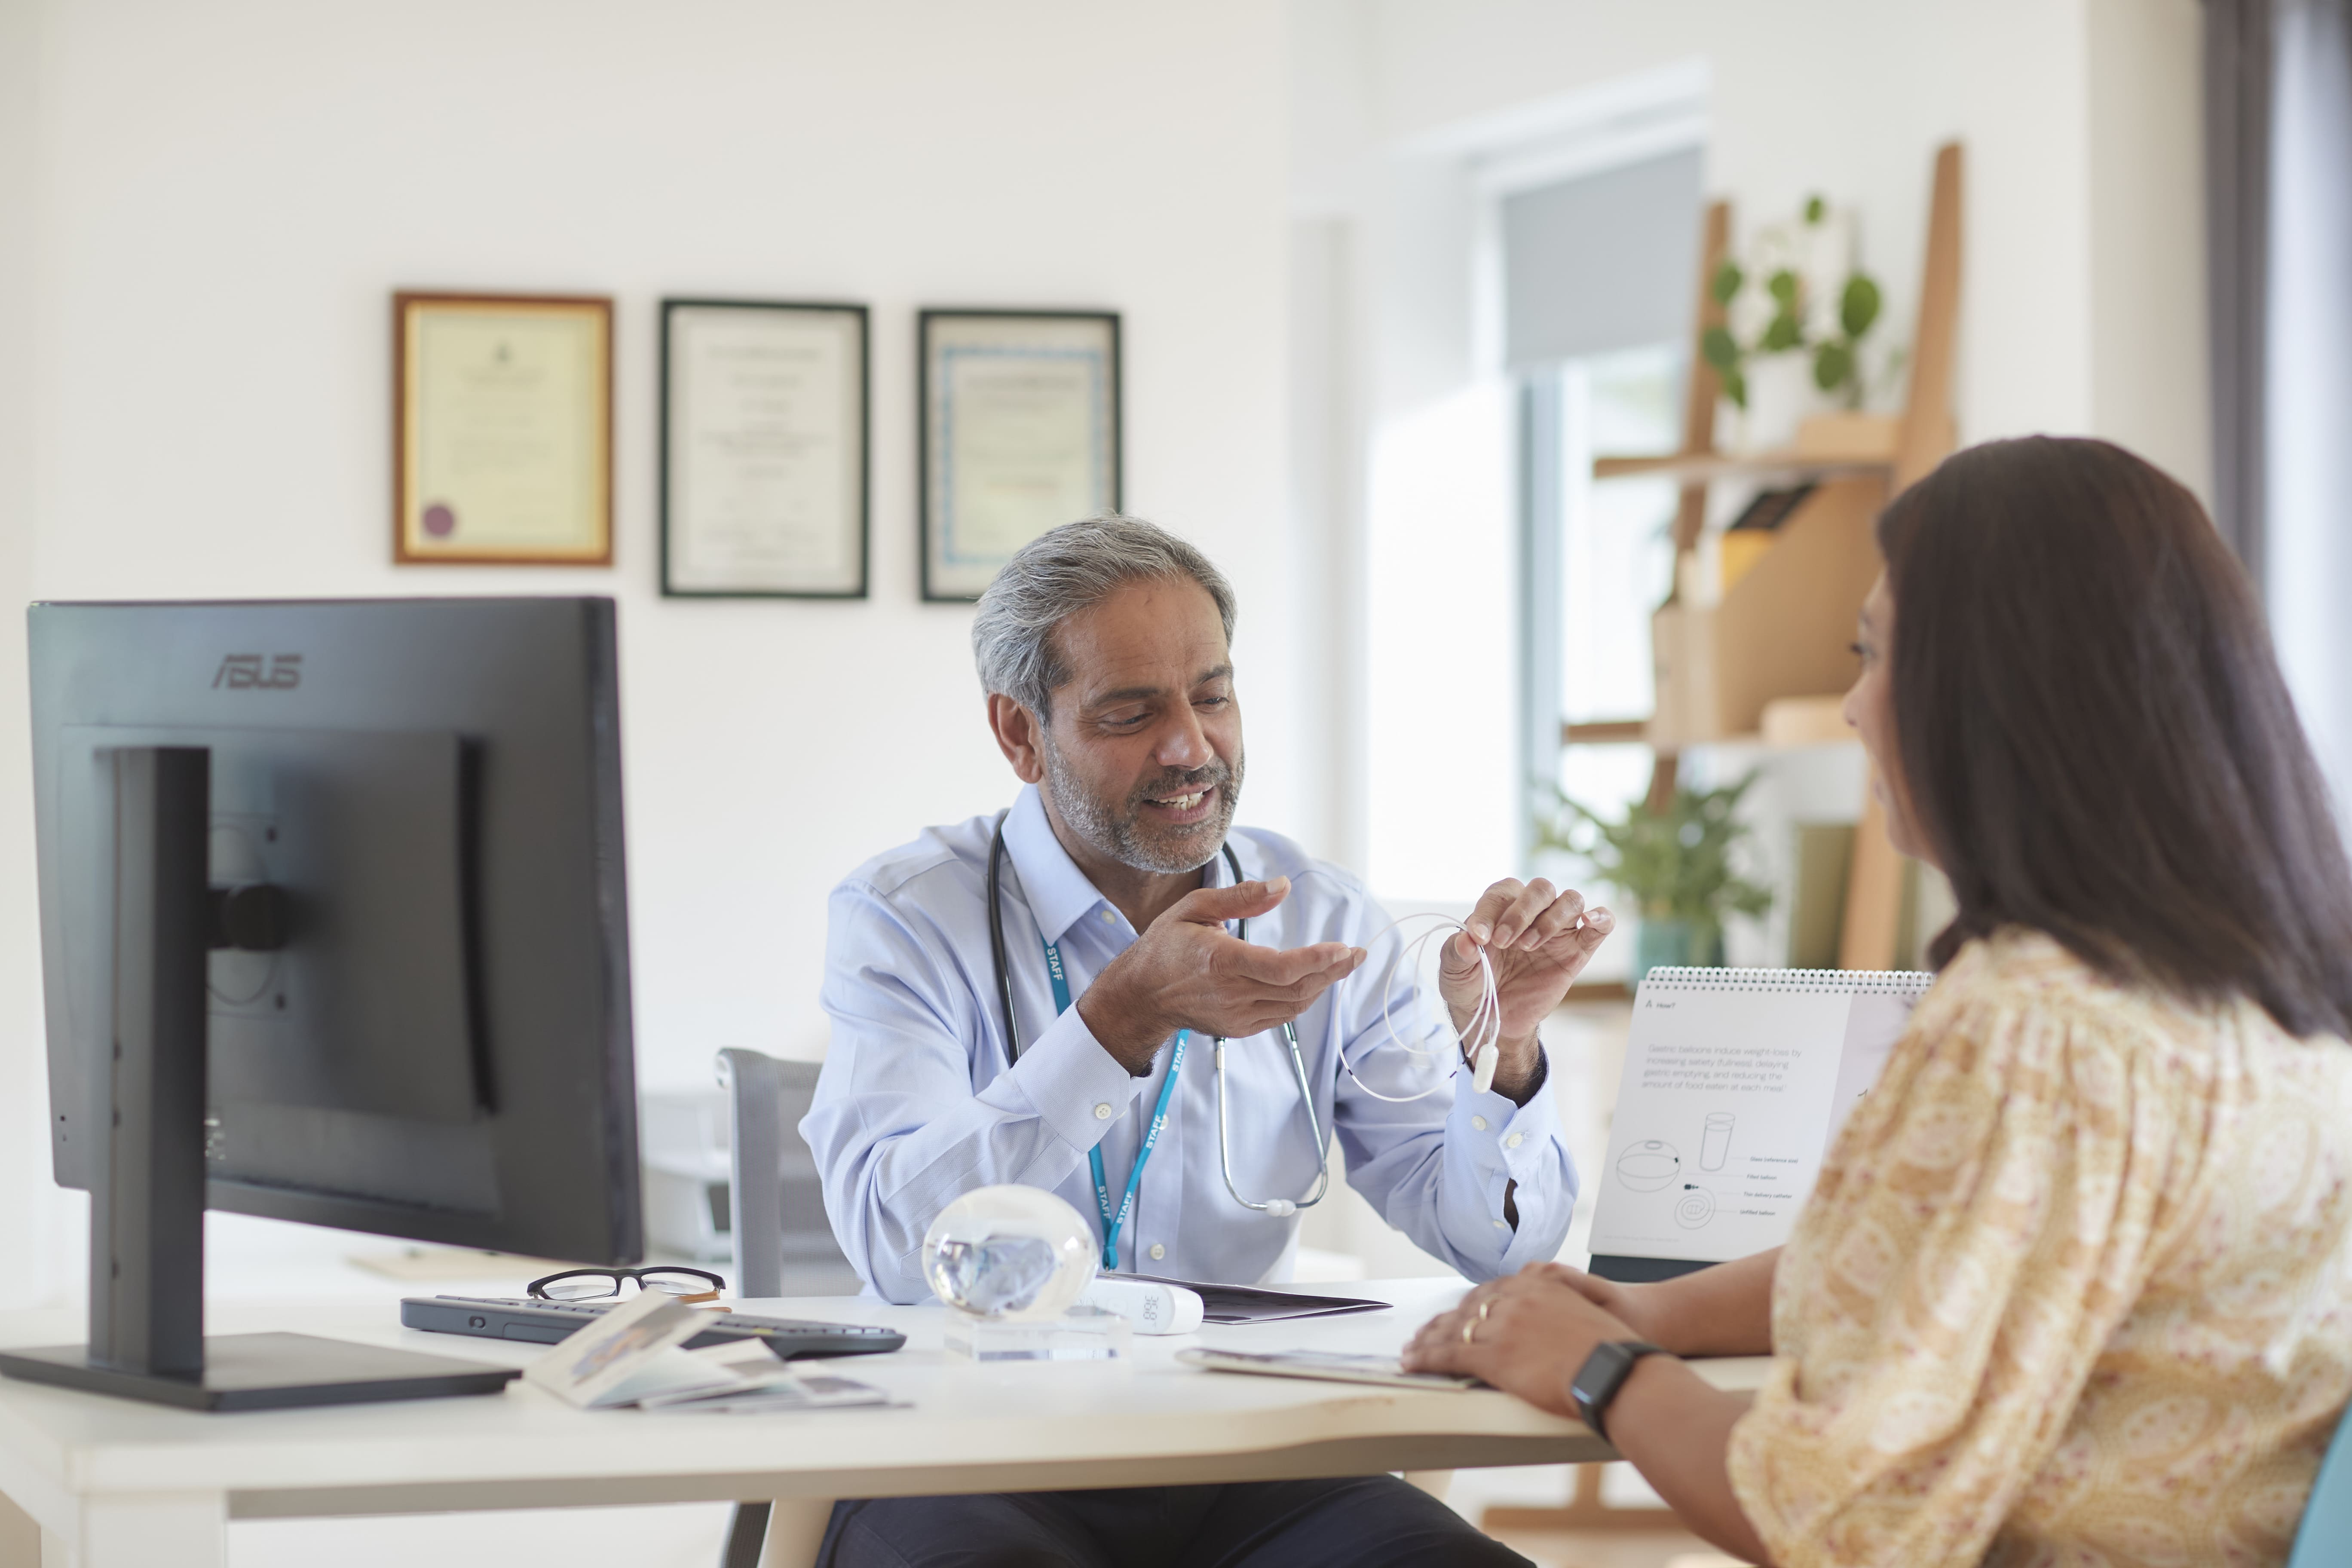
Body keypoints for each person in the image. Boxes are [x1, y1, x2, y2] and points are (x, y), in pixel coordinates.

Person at [1404, 435, 2352, 1566]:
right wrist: (1654, 1314)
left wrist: (1598, 1368)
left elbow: (1837, 1520)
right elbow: (1939, 1267)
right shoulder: (2269, 999)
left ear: (2000, 692)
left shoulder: (2034, 1026)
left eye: (1875, 655)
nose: (1855, 707)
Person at [802, 514, 1613, 1568]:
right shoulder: (906, 917)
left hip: (1251, 1458)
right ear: (1019, 735)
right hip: (973, 1449)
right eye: (1132, 712)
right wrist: (1115, 1023)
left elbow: (1497, 1246)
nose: (1190, 747)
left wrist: (1504, 1050)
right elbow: (894, 1249)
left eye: (1215, 697)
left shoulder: (1319, 914)